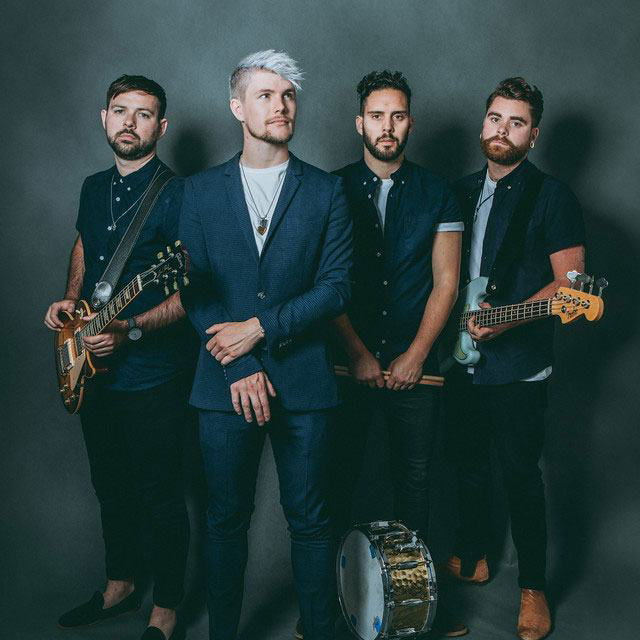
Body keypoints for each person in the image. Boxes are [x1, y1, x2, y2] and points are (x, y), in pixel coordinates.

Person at [178, 50, 352, 640]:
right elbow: (193, 288)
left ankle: (319, 629)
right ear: (237, 107)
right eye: (265, 95)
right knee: (225, 521)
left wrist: (260, 327)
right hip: (223, 382)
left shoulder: (326, 191)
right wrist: (239, 364)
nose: (280, 106)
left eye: (288, 96)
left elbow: (336, 288)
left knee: (311, 521)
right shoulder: (199, 192)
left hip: (305, 379)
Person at [44, 75, 194, 640]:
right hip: (90, 365)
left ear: (162, 126)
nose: (130, 122)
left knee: (160, 491)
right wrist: (71, 303)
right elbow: (85, 246)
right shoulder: (92, 186)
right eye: (120, 110)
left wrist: (130, 329)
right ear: (103, 117)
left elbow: (191, 290)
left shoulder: (179, 194)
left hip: (153, 373)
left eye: (144, 114)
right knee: (110, 484)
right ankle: (120, 584)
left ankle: (167, 607)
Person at [443, 77, 586, 640]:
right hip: (460, 359)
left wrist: (505, 322)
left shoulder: (552, 197)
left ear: (534, 135)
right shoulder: (458, 191)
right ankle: (476, 555)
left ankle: (532, 587)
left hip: (519, 366)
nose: (502, 130)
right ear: (484, 124)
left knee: (521, 475)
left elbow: (570, 285)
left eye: (517, 122)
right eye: (495, 118)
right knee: (467, 464)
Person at [331, 70, 466, 638]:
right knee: (337, 481)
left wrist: (415, 355)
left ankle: (417, 610)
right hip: (346, 363)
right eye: (377, 115)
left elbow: (446, 282)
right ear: (359, 122)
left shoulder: (439, 191)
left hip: (417, 364)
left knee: (416, 485)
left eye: (398, 115)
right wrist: (359, 353)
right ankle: (327, 608)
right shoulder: (329, 189)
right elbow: (325, 281)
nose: (387, 126)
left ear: (410, 122)